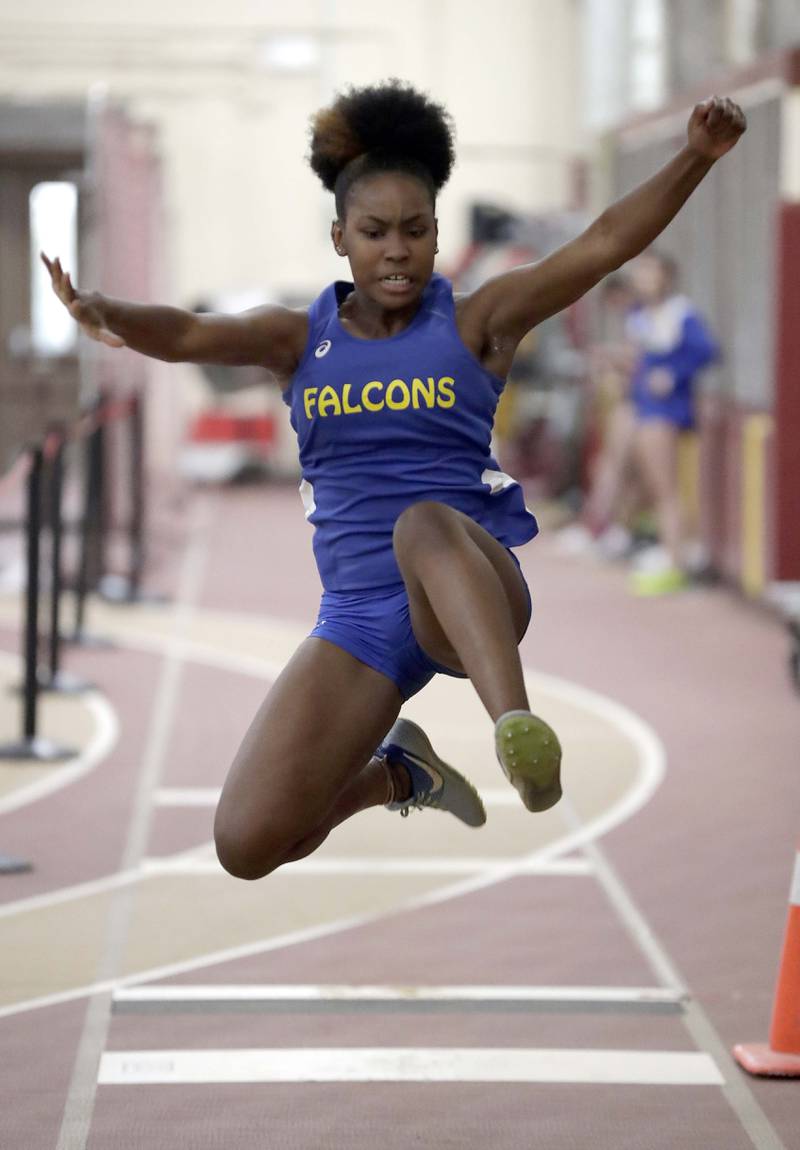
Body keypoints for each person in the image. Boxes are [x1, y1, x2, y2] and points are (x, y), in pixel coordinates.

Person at [41, 81, 746, 881]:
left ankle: (515, 726)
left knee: (421, 522)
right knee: (248, 844)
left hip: (469, 586)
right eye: (375, 232)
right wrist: (109, 313)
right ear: (339, 237)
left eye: (415, 231)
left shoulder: (480, 321)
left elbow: (602, 244)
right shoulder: (296, 339)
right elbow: (193, 332)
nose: (397, 249)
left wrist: (696, 156)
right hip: (359, 620)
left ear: (438, 235)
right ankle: (400, 774)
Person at [626, 249, 720, 594]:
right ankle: (672, 551)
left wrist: (673, 375)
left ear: (666, 277)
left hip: (666, 411)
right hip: (644, 407)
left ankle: (675, 561)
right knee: (653, 486)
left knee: (666, 489)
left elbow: (708, 350)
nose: (643, 279)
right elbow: (641, 359)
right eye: (640, 272)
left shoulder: (680, 314)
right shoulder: (639, 315)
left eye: (650, 272)